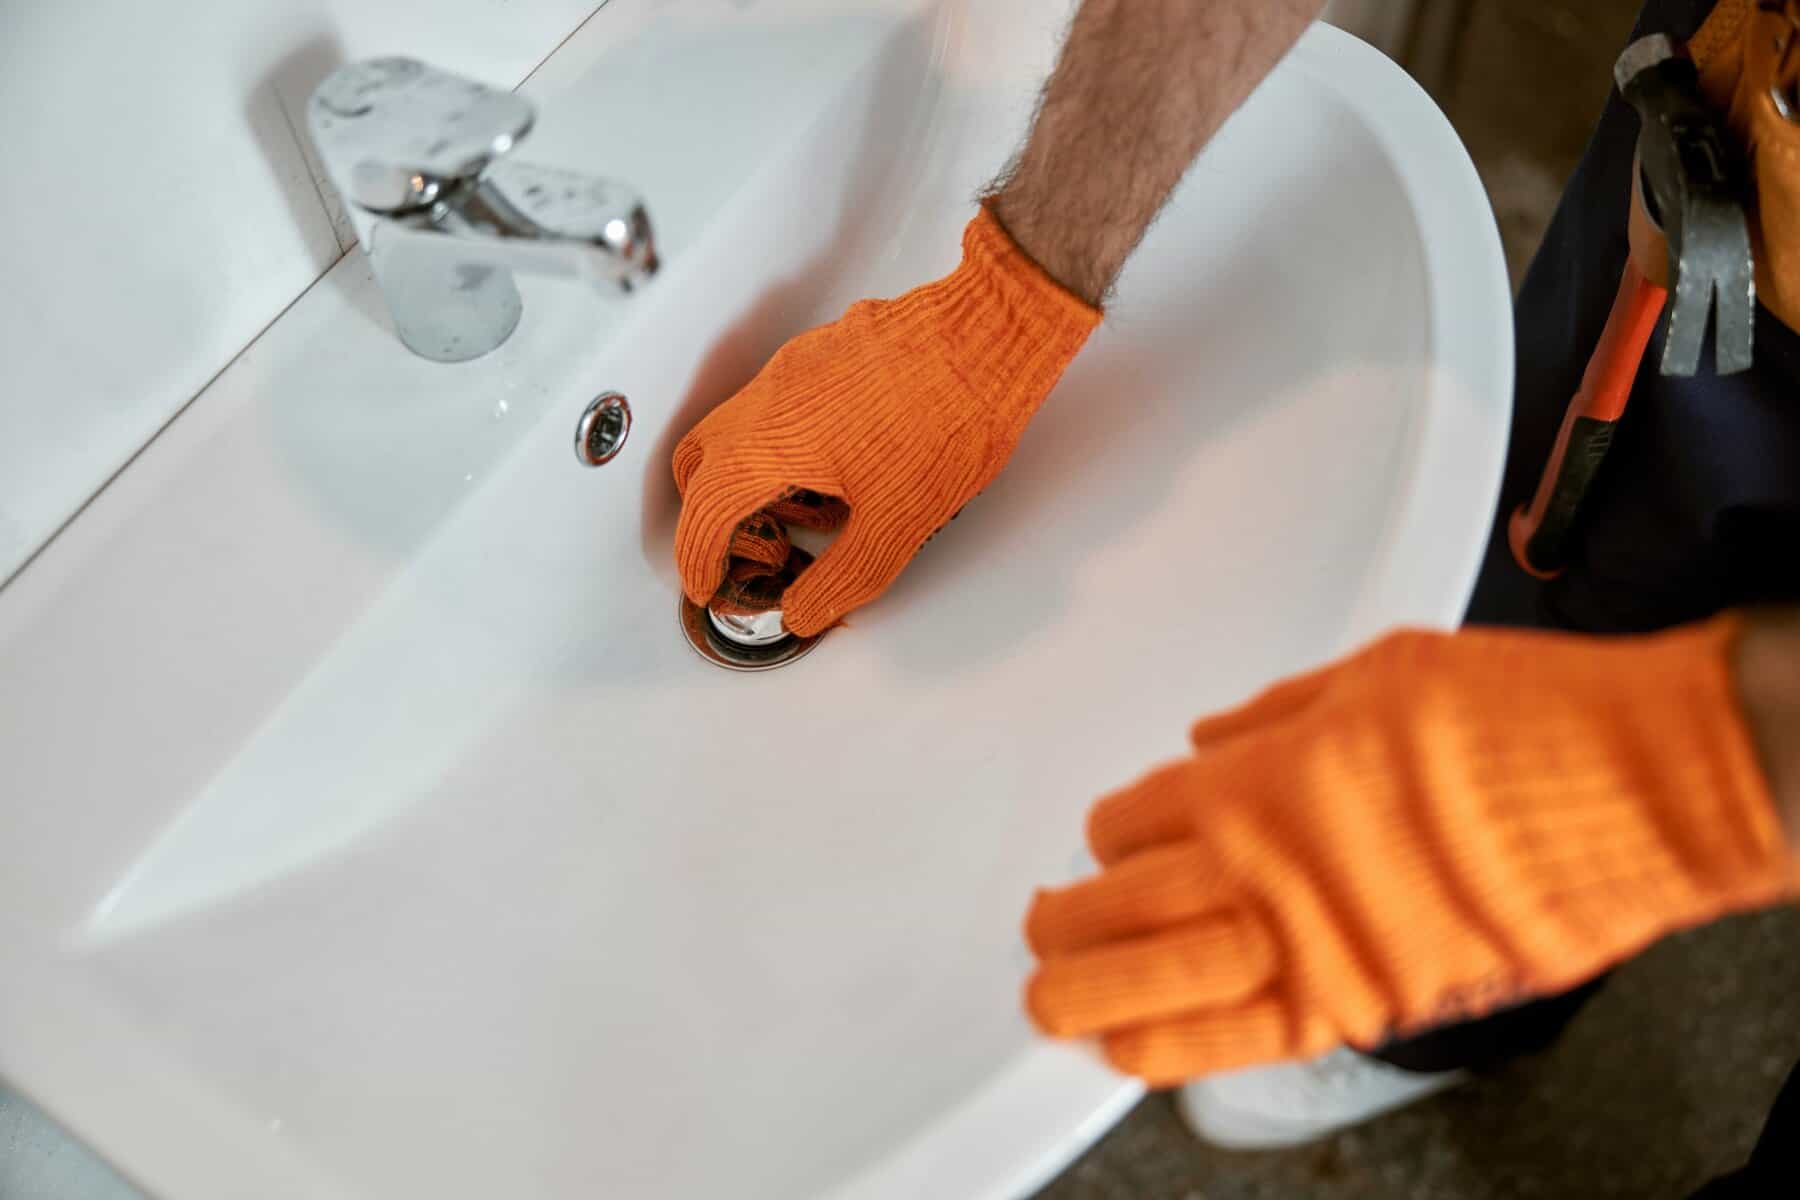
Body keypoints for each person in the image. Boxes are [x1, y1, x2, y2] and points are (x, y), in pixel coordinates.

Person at [668, 0, 1800, 1189]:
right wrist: (1005, 308)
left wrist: (1702, 774)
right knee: (1571, 566)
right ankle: (1453, 1019)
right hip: (1747, 164)